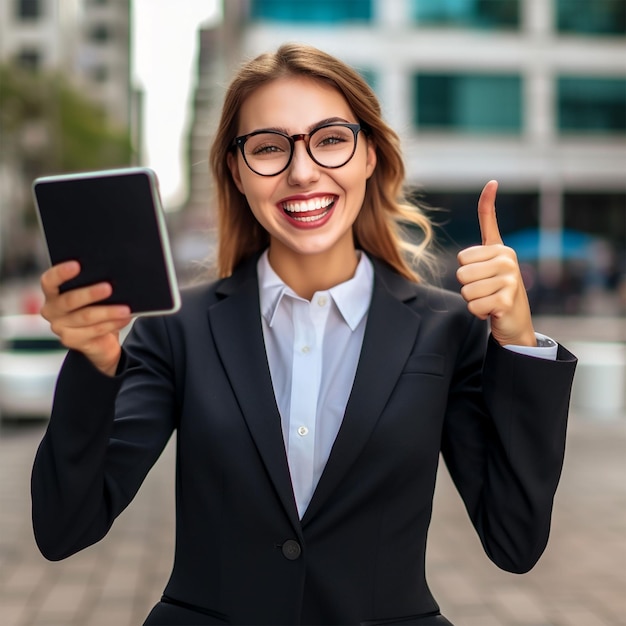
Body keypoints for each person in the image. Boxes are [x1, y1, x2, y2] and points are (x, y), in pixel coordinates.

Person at [32, 43, 577, 626]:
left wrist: (517, 339)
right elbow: (66, 527)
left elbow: (515, 541)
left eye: (331, 138)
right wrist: (92, 366)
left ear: (370, 154)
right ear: (237, 173)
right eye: (268, 147)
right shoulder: (175, 330)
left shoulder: (447, 329)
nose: (301, 171)